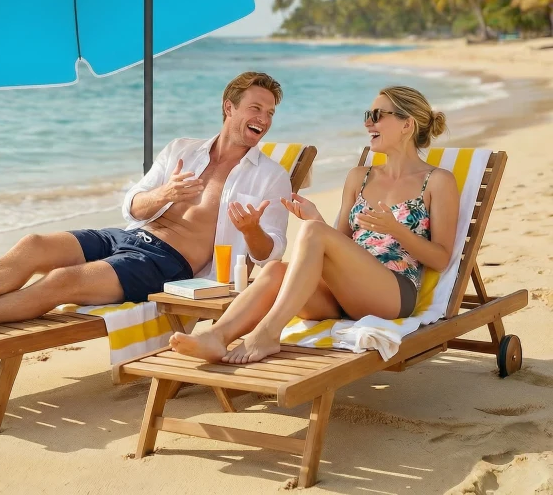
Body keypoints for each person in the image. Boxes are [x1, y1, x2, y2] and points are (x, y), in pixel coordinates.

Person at [0, 72, 293, 334]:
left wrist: (250, 230)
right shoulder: (182, 149)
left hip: (168, 264)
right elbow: (132, 205)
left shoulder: (270, 175)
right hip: (130, 235)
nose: (264, 118)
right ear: (230, 108)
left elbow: (271, 252)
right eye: (255, 107)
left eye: (270, 112)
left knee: (63, 282)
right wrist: (165, 194)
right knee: (34, 245)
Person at [170, 85, 460, 365]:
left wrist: (396, 230)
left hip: (392, 293)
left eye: (377, 116)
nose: (368, 123)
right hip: (344, 293)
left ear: (407, 125)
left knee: (312, 233)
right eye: (366, 115)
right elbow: (338, 242)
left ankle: (268, 332)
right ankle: (215, 336)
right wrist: (316, 219)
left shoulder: (437, 181)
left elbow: (441, 257)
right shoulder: (359, 176)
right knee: (274, 270)